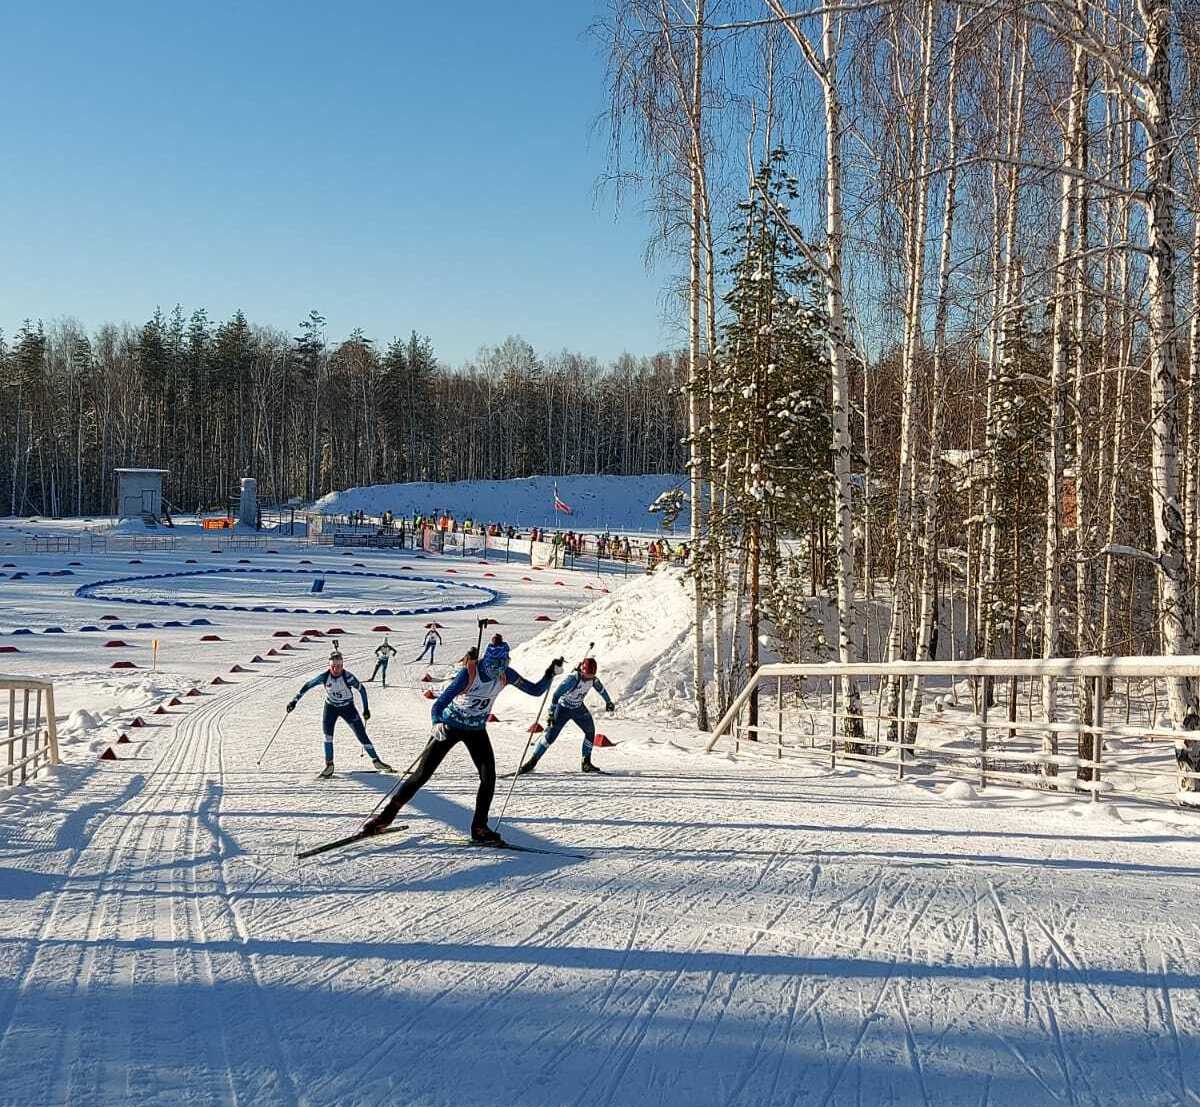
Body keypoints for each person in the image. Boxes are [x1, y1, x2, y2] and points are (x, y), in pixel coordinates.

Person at [362, 636, 563, 843]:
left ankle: (479, 828)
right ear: (487, 660)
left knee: (488, 777)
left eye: (503, 665)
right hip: (449, 726)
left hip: (476, 730)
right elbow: (439, 703)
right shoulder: (470, 672)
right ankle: (384, 818)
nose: (498, 670)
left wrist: (550, 673)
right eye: (495, 665)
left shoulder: (506, 674)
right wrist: (436, 722)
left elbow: (536, 690)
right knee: (422, 774)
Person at [287, 650, 393, 777]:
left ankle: (376, 761)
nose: (336, 669)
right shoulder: (324, 677)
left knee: (361, 735)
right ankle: (329, 765)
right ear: (329, 666)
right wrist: (294, 701)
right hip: (331, 708)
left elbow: (362, 690)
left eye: (339, 666)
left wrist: (366, 709)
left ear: (342, 666)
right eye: (333, 666)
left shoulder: (348, 677)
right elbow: (307, 686)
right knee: (327, 737)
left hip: (348, 708)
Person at [518, 657, 616, 775]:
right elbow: (556, 695)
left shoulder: (593, 680)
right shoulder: (573, 679)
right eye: (587, 675)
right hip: (563, 709)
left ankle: (586, 763)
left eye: (592, 675)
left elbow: (601, 690)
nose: (589, 677)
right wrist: (551, 713)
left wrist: (608, 702)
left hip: (578, 708)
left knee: (590, 732)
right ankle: (532, 761)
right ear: (583, 671)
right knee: (550, 736)